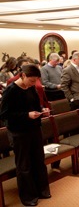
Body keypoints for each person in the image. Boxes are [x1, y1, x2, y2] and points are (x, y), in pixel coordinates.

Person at [0, 64, 51, 206]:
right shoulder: (10, 91)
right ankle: (28, 196)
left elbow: (35, 105)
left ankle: (42, 190)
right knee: (24, 165)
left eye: (35, 81)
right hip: (18, 132)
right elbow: (4, 115)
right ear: (23, 76)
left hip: (34, 129)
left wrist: (42, 110)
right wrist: (26, 115)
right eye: (32, 80)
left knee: (38, 161)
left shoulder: (30, 88)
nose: (34, 84)